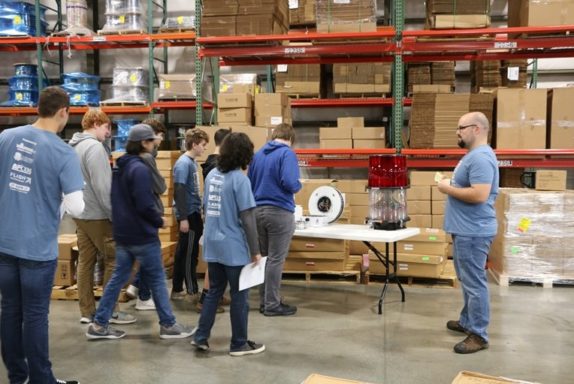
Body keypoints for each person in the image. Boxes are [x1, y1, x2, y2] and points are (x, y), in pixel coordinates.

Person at [0, 86, 84, 384]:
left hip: (5, 243)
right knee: (35, 315)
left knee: (10, 310)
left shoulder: (6, 138)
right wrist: (56, 204)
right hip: (37, 248)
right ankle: (41, 380)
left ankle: (17, 376)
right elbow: (77, 205)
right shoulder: (63, 152)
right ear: (63, 112)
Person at [86, 124, 194, 340]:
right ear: (144, 143)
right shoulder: (140, 169)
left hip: (124, 233)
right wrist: (158, 220)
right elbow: (144, 204)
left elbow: (115, 200)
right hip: (142, 235)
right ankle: (168, 324)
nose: (156, 144)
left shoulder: (120, 166)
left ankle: (98, 325)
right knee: (156, 278)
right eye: (153, 141)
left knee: (118, 278)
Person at [191, 132, 265, 356]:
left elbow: (206, 207)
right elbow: (248, 220)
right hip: (234, 247)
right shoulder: (240, 180)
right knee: (240, 297)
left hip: (213, 243)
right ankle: (238, 343)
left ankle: (201, 337)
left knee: (213, 292)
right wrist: (256, 251)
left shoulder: (212, 174)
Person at [437, 111, 499, 354]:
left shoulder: (481, 158)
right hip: (465, 230)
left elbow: (480, 194)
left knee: (474, 283)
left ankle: (479, 335)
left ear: (476, 129)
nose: (457, 132)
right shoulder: (472, 156)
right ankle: (467, 321)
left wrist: (446, 188)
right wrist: (451, 185)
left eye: (461, 127)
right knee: (467, 279)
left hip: (473, 232)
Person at [69, 108, 136, 325]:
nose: (108, 132)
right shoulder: (94, 148)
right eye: (107, 127)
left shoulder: (73, 147)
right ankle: (110, 311)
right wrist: (116, 215)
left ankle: (87, 312)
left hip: (79, 213)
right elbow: (103, 187)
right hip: (98, 214)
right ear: (96, 123)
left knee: (85, 263)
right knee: (114, 261)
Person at [247, 123, 302, 316]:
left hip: (257, 211)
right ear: (290, 139)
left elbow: (250, 183)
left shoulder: (259, 154)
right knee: (276, 260)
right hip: (279, 212)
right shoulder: (287, 154)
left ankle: (265, 301)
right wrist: (298, 186)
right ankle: (272, 304)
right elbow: (289, 181)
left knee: (263, 259)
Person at [126, 117, 167, 311]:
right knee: (152, 257)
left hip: (133, 215)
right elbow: (159, 186)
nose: (159, 141)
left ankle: (136, 286)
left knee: (144, 255)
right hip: (148, 213)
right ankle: (144, 296)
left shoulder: (128, 159)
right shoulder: (147, 158)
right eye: (157, 137)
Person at [171, 128, 209, 302]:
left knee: (182, 252)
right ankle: (192, 290)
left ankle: (177, 288)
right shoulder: (183, 163)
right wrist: (184, 218)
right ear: (194, 144)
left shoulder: (192, 162)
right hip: (188, 214)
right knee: (190, 254)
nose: (204, 148)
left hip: (193, 212)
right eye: (202, 145)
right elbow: (178, 191)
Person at [197, 127, 232, 313]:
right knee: (215, 260)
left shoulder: (210, 161)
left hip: (212, 216)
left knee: (217, 259)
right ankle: (206, 298)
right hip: (217, 218)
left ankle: (215, 295)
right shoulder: (217, 166)